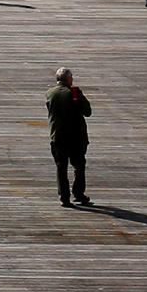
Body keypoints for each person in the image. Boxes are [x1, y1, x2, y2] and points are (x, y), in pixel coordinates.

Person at [45, 67, 91, 207]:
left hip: (57, 136)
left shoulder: (50, 93)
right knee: (79, 166)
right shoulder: (74, 93)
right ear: (68, 79)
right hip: (75, 137)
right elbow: (87, 111)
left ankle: (64, 197)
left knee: (61, 167)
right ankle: (78, 193)